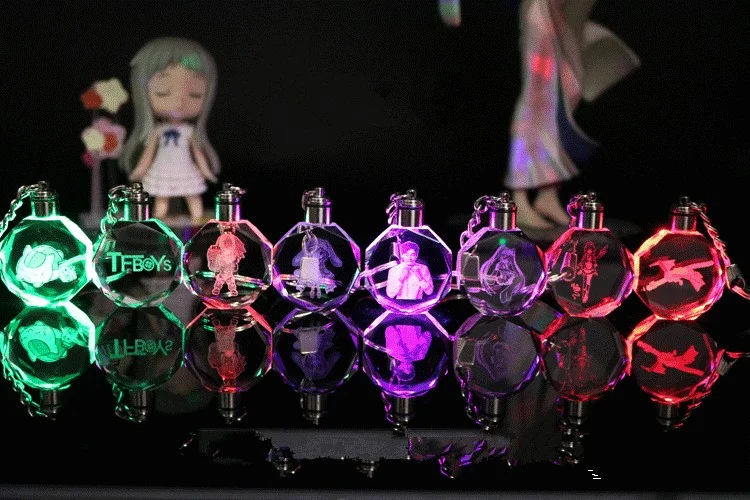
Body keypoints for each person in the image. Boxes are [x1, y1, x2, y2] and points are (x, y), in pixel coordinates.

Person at [439, 0, 640, 229]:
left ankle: (548, 194)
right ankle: (519, 196)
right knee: (537, 96)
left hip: (563, 13)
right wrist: (450, 8)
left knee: (570, 89)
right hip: (540, 9)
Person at [119, 37, 220, 223]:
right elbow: (148, 154)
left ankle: (198, 223)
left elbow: (197, 153)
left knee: (193, 197)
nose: (179, 102)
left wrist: (206, 171)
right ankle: (159, 223)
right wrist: (139, 171)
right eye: (163, 92)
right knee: (161, 199)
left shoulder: (189, 131)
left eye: (195, 94)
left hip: (185, 167)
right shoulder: (157, 131)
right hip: (163, 168)